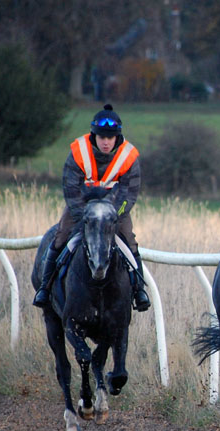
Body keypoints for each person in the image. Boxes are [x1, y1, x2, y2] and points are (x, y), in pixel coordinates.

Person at [33, 104, 151, 312]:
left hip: (114, 212)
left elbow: (129, 195)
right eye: (101, 137)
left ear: (117, 138)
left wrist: (113, 216)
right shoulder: (78, 153)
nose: (105, 142)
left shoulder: (129, 157)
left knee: (130, 241)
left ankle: (139, 290)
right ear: (93, 136)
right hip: (82, 210)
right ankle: (45, 287)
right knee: (61, 236)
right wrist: (83, 216)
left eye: (110, 138)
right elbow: (71, 189)